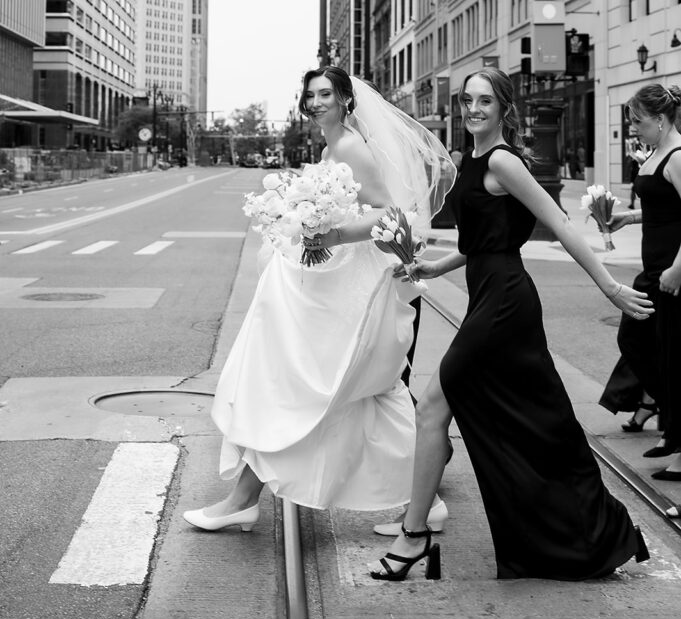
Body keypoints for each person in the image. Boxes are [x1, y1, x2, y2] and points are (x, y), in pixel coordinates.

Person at [369, 68, 653, 582]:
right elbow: (480, 240)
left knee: (434, 406)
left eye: (484, 101)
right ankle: (583, 527)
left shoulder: (502, 160)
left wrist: (609, 286)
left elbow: (561, 223)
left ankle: (415, 535)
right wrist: (434, 266)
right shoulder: (470, 160)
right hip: (488, 296)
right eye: (467, 101)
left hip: (505, 303)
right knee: (533, 419)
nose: (472, 109)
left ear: (503, 108)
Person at [183, 66, 455, 531]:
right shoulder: (331, 146)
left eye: (326, 93)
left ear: (347, 99)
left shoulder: (350, 146)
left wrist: (326, 232)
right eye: (310, 95)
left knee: (315, 386)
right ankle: (423, 503)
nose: (316, 102)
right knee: (353, 391)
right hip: (329, 278)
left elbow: (391, 214)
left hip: (349, 283)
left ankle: (243, 499)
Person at [602, 84, 681, 519]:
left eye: (639, 121)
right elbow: (663, 207)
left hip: (673, 276)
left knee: (674, 356)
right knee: (638, 342)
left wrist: (678, 269)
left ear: (662, 120)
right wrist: (628, 216)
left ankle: (676, 437)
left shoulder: (678, 155)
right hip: (655, 273)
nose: (635, 128)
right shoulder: (657, 155)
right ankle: (667, 420)